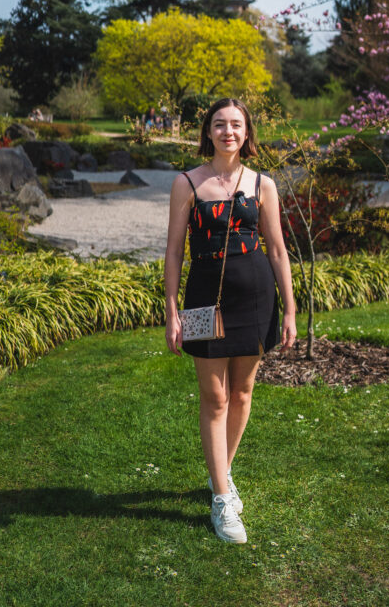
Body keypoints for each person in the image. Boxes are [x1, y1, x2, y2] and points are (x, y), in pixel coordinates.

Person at [164, 97, 297, 544]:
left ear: (247, 133)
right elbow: (174, 251)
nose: (228, 132)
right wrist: (170, 308)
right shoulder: (187, 183)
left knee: (242, 392)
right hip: (204, 299)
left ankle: (221, 475)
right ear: (208, 132)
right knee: (215, 397)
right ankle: (223, 499)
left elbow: (278, 250)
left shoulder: (263, 184)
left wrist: (291, 308)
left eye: (236, 125)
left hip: (256, 296)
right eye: (219, 124)